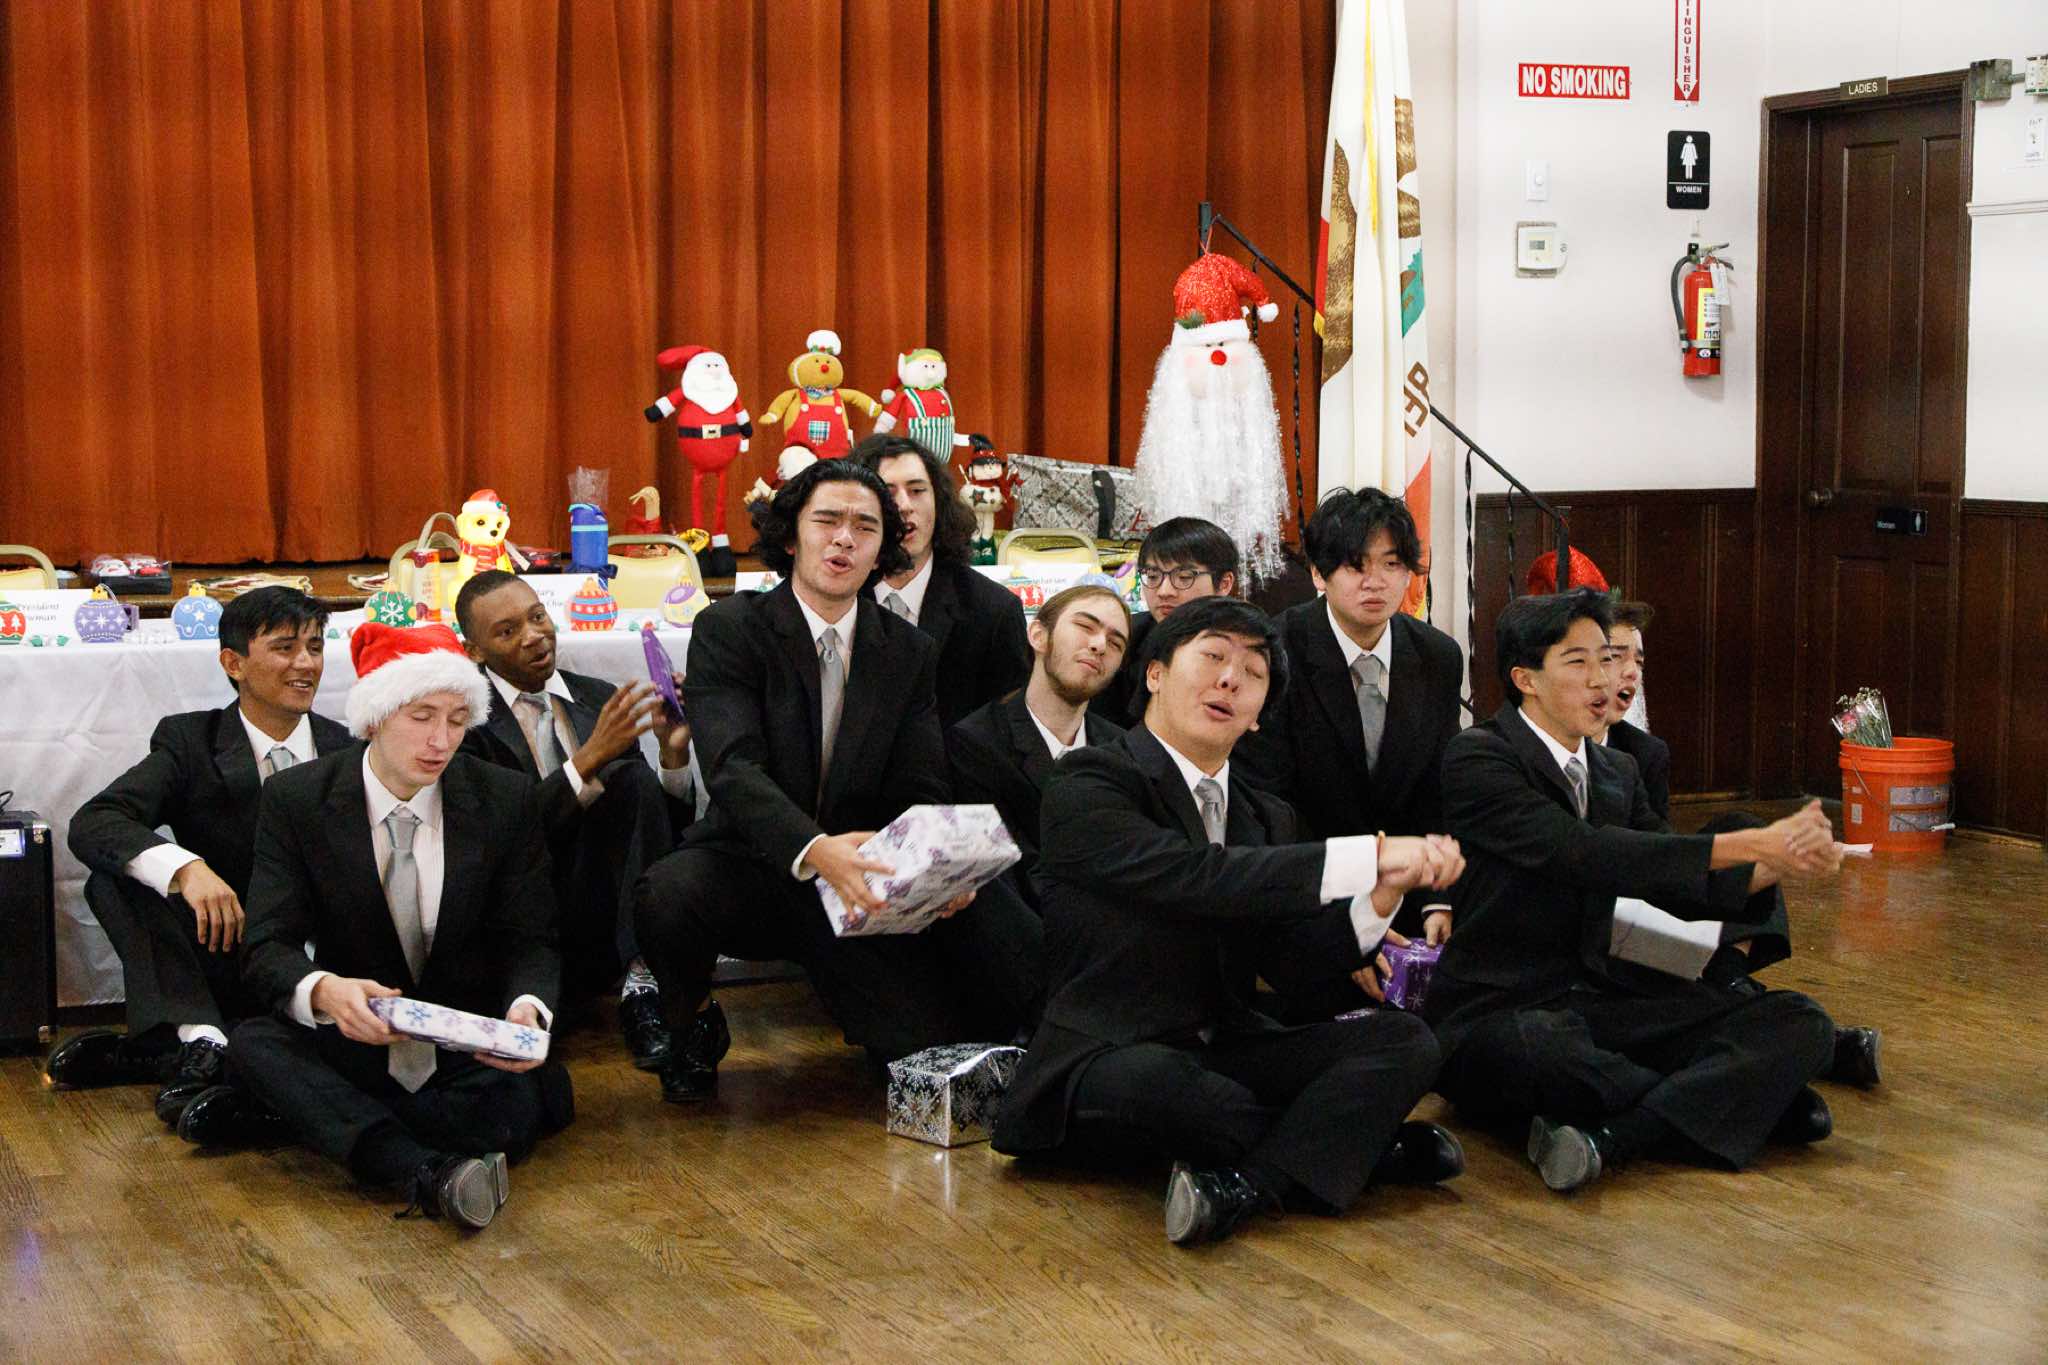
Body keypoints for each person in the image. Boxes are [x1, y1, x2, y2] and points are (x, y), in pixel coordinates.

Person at [993, 597, 1467, 1247]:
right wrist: (1369, 855)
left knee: (1405, 1040)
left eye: (1253, 673)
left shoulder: (1265, 815)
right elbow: (1196, 878)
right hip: (1109, 1052)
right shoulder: (1089, 779)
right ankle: (1360, 1150)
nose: (1229, 680)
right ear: (1155, 672)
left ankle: (1246, 1185)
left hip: (1224, 1045)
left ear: (1258, 716)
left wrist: (1380, 897)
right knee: (1184, 1095)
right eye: (1213, 656)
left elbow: (1295, 965)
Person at [632, 460, 1044, 1104]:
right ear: (791, 535)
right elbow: (734, 769)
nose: (845, 538)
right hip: (757, 860)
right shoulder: (731, 628)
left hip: (861, 869)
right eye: (827, 520)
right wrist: (815, 849)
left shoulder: (906, 649)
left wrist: (937, 864)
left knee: (921, 1037)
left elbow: (922, 780)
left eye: (865, 527)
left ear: (884, 549)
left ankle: (1050, 1039)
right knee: (668, 892)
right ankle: (690, 1024)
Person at [1428, 589, 1846, 1193]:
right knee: (1545, 1055)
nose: (1603, 679)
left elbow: (1672, 881)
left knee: (1801, 1022)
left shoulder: (1616, 770)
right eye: (1578, 662)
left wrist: (1780, 862)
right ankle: (1733, 1102)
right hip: (1500, 1010)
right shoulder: (1479, 756)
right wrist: (1753, 844)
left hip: (1603, 999)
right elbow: (1585, 853)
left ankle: (1613, 1138)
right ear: (1526, 679)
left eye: (1607, 659)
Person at [179, 624, 571, 1231]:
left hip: (460, 1038)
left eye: (458, 720)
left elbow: (532, 938)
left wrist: (525, 1009)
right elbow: (267, 946)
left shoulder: (504, 797)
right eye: (422, 717)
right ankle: (426, 1170)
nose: (441, 740)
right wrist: (324, 990)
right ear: (376, 717)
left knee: (533, 1094)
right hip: (353, 1037)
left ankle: (318, 1123)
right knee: (256, 1044)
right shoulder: (299, 799)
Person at [55, 588, 352, 1127]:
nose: (306, 664)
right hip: (223, 944)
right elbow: (96, 821)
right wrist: (186, 868)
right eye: (284, 648)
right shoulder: (192, 740)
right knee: (114, 878)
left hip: (313, 960)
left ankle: (169, 1050)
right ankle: (202, 1037)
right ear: (233, 663)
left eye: (314, 647)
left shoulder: (349, 749)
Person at [1598, 600, 1880, 1088]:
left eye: (1638, 660)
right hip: (1602, 924)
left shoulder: (1642, 753)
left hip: (1650, 898)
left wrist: (1774, 853)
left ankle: (1728, 981)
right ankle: (1758, 1013)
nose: (1630, 672)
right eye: (1615, 656)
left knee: (1740, 826)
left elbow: (1660, 847)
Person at [1235, 487, 1465, 1021]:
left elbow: (1437, 784)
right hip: (1308, 900)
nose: (1375, 581)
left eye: (1392, 563)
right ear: (1319, 574)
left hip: (1407, 894)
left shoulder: (1437, 655)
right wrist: (1353, 925)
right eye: (1355, 565)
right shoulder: (1277, 651)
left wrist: (1435, 896)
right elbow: (1272, 805)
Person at [454, 570, 694, 1070]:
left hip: (605, 901)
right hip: (523, 909)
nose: (534, 636)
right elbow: (499, 843)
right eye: (507, 631)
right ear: (473, 650)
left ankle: (642, 983)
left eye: (538, 617)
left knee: (632, 779)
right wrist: (588, 758)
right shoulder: (466, 722)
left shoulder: (596, 697)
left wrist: (673, 754)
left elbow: (651, 828)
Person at [947, 583, 1131, 909]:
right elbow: (1000, 885)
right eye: (1085, 626)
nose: (1100, 645)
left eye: (1116, 643)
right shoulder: (977, 743)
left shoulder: (1124, 753)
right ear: (1038, 635)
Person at [849, 433, 1031, 727]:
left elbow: (1009, 730)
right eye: (887, 492)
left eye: (917, 490)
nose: (904, 505)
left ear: (939, 500)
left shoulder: (993, 611)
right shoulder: (836, 595)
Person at [1097, 516, 1240, 724]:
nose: (1164, 591)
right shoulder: (1125, 636)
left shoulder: (1248, 647)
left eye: (1184, 577)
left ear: (1224, 584)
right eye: (1153, 576)